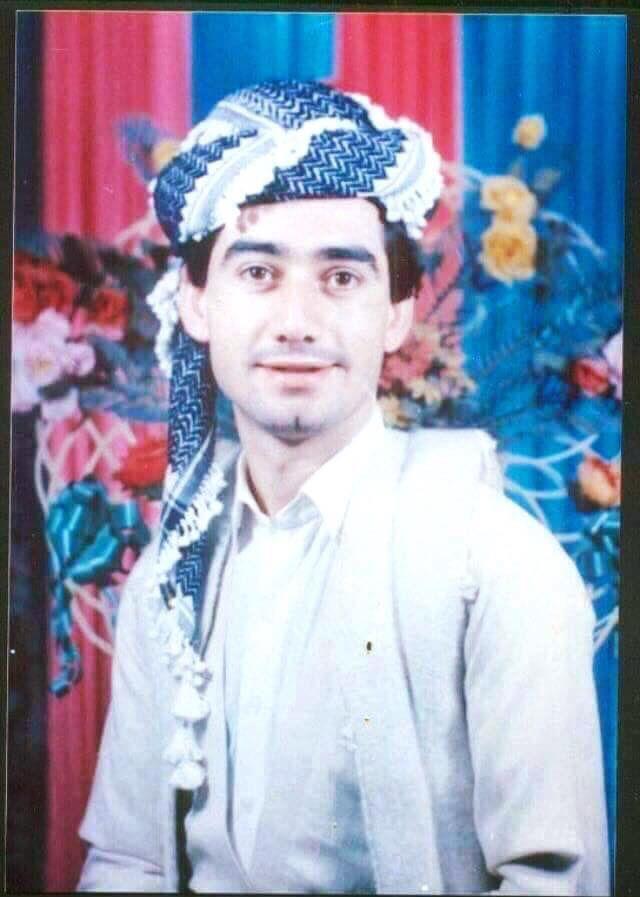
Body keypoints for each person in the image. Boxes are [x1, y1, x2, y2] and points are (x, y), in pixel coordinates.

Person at [77, 80, 609, 895]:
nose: (297, 321)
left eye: (340, 278)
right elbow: (129, 861)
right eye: (259, 271)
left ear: (397, 313)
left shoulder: (501, 567)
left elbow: (554, 884)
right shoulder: (170, 581)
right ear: (196, 303)